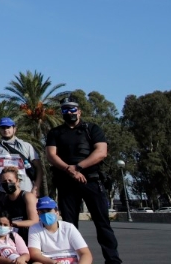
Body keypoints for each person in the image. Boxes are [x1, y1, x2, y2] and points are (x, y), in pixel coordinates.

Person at [46, 94, 121, 264]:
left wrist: (79, 167)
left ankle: (113, 260)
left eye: (72, 109)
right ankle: (72, 260)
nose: (69, 112)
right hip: (66, 182)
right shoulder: (55, 132)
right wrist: (69, 170)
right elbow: (51, 155)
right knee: (69, 226)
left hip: (92, 181)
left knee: (103, 224)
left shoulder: (92, 129)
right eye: (65, 109)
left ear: (79, 111)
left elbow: (101, 152)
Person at [27, 197, 92, 264]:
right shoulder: (34, 228)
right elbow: (35, 254)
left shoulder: (69, 227)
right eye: (42, 211)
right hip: (49, 262)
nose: (46, 214)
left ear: (57, 212)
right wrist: (54, 262)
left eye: (48, 210)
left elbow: (85, 254)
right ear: (38, 214)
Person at [0, 118, 42, 196]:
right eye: (3, 128)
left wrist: (36, 188)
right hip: (3, 191)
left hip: (25, 189)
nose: (5, 130)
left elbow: (39, 169)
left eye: (8, 127)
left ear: (14, 129)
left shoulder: (26, 146)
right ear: (0, 130)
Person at [0, 167, 38, 242]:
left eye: (10, 180)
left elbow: (34, 221)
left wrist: (12, 223)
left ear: (17, 181)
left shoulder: (27, 196)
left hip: (30, 236)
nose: (7, 183)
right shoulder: (4, 200)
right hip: (12, 237)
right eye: (4, 181)